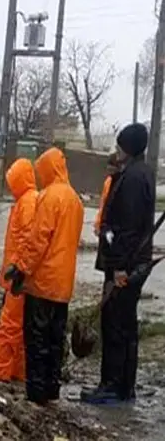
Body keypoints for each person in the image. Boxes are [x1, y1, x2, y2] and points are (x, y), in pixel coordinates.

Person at [82, 123, 155, 404]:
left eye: (120, 145)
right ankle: (124, 385)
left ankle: (112, 386)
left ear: (130, 147)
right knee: (125, 324)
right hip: (132, 261)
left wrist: (119, 266)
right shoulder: (139, 173)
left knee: (115, 323)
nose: (117, 150)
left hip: (125, 264)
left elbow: (126, 228)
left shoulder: (134, 179)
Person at [6, 147, 84, 405]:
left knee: (37, 338)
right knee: (55, 339)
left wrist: (21, 269)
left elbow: (37, 240)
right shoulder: (75, 199)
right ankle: (52, 387)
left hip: (42, 283)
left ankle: (37, 392)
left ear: (48, 169)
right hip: (63, 284)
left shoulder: (49, 198)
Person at [0, 157, 36, 383]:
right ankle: (17, 372)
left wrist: (16, 268)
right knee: (18, 327)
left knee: (9, 325)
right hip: (20, 274)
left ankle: (2, 372)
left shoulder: (27, 203)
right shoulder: (26, 201)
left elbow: (28, 239)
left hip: (17, 276)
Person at [93, 152, 119, 238]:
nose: (109, 172)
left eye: (111, 169)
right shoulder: (108, 182)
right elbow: (103, 204)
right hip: (104, 224)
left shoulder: (119, 183)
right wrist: (98, 224)